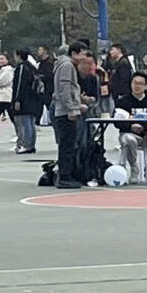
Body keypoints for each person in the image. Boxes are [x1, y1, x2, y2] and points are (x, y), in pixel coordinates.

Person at [52, 44, 87, 188]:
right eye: (82, 54)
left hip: (64, 110)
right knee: (67, 145)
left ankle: (66, 175)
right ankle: (64, 177)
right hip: (65, 112)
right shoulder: (67, 66)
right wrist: (72, 107)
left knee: (67, 144)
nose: (84, 57)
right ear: (74, 53)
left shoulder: (64, 65)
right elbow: (65, 89)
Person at [12, 49, 41, 154]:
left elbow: (19, 84)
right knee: (31, 122)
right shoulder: (31, 67)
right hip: (33, 98)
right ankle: (31, 144)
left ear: (19, 56)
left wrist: (17, 99)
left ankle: (26, 145)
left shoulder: (21, 68)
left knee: (25, 122)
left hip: (24, 99)